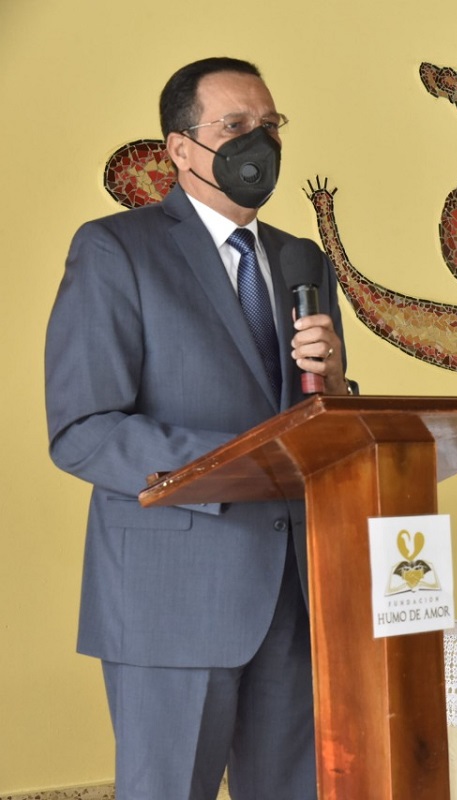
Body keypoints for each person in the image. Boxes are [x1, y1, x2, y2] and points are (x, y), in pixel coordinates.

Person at [44, 57, 352, 800]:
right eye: (236, 127)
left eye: (271, 126)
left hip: (295, 596)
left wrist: (337, 384)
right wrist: (238, 462)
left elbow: (320, 424)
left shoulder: (301, 257)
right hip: (171, 600)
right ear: (181, 148)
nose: (261, 143)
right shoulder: (117, 249)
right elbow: (82, 428)